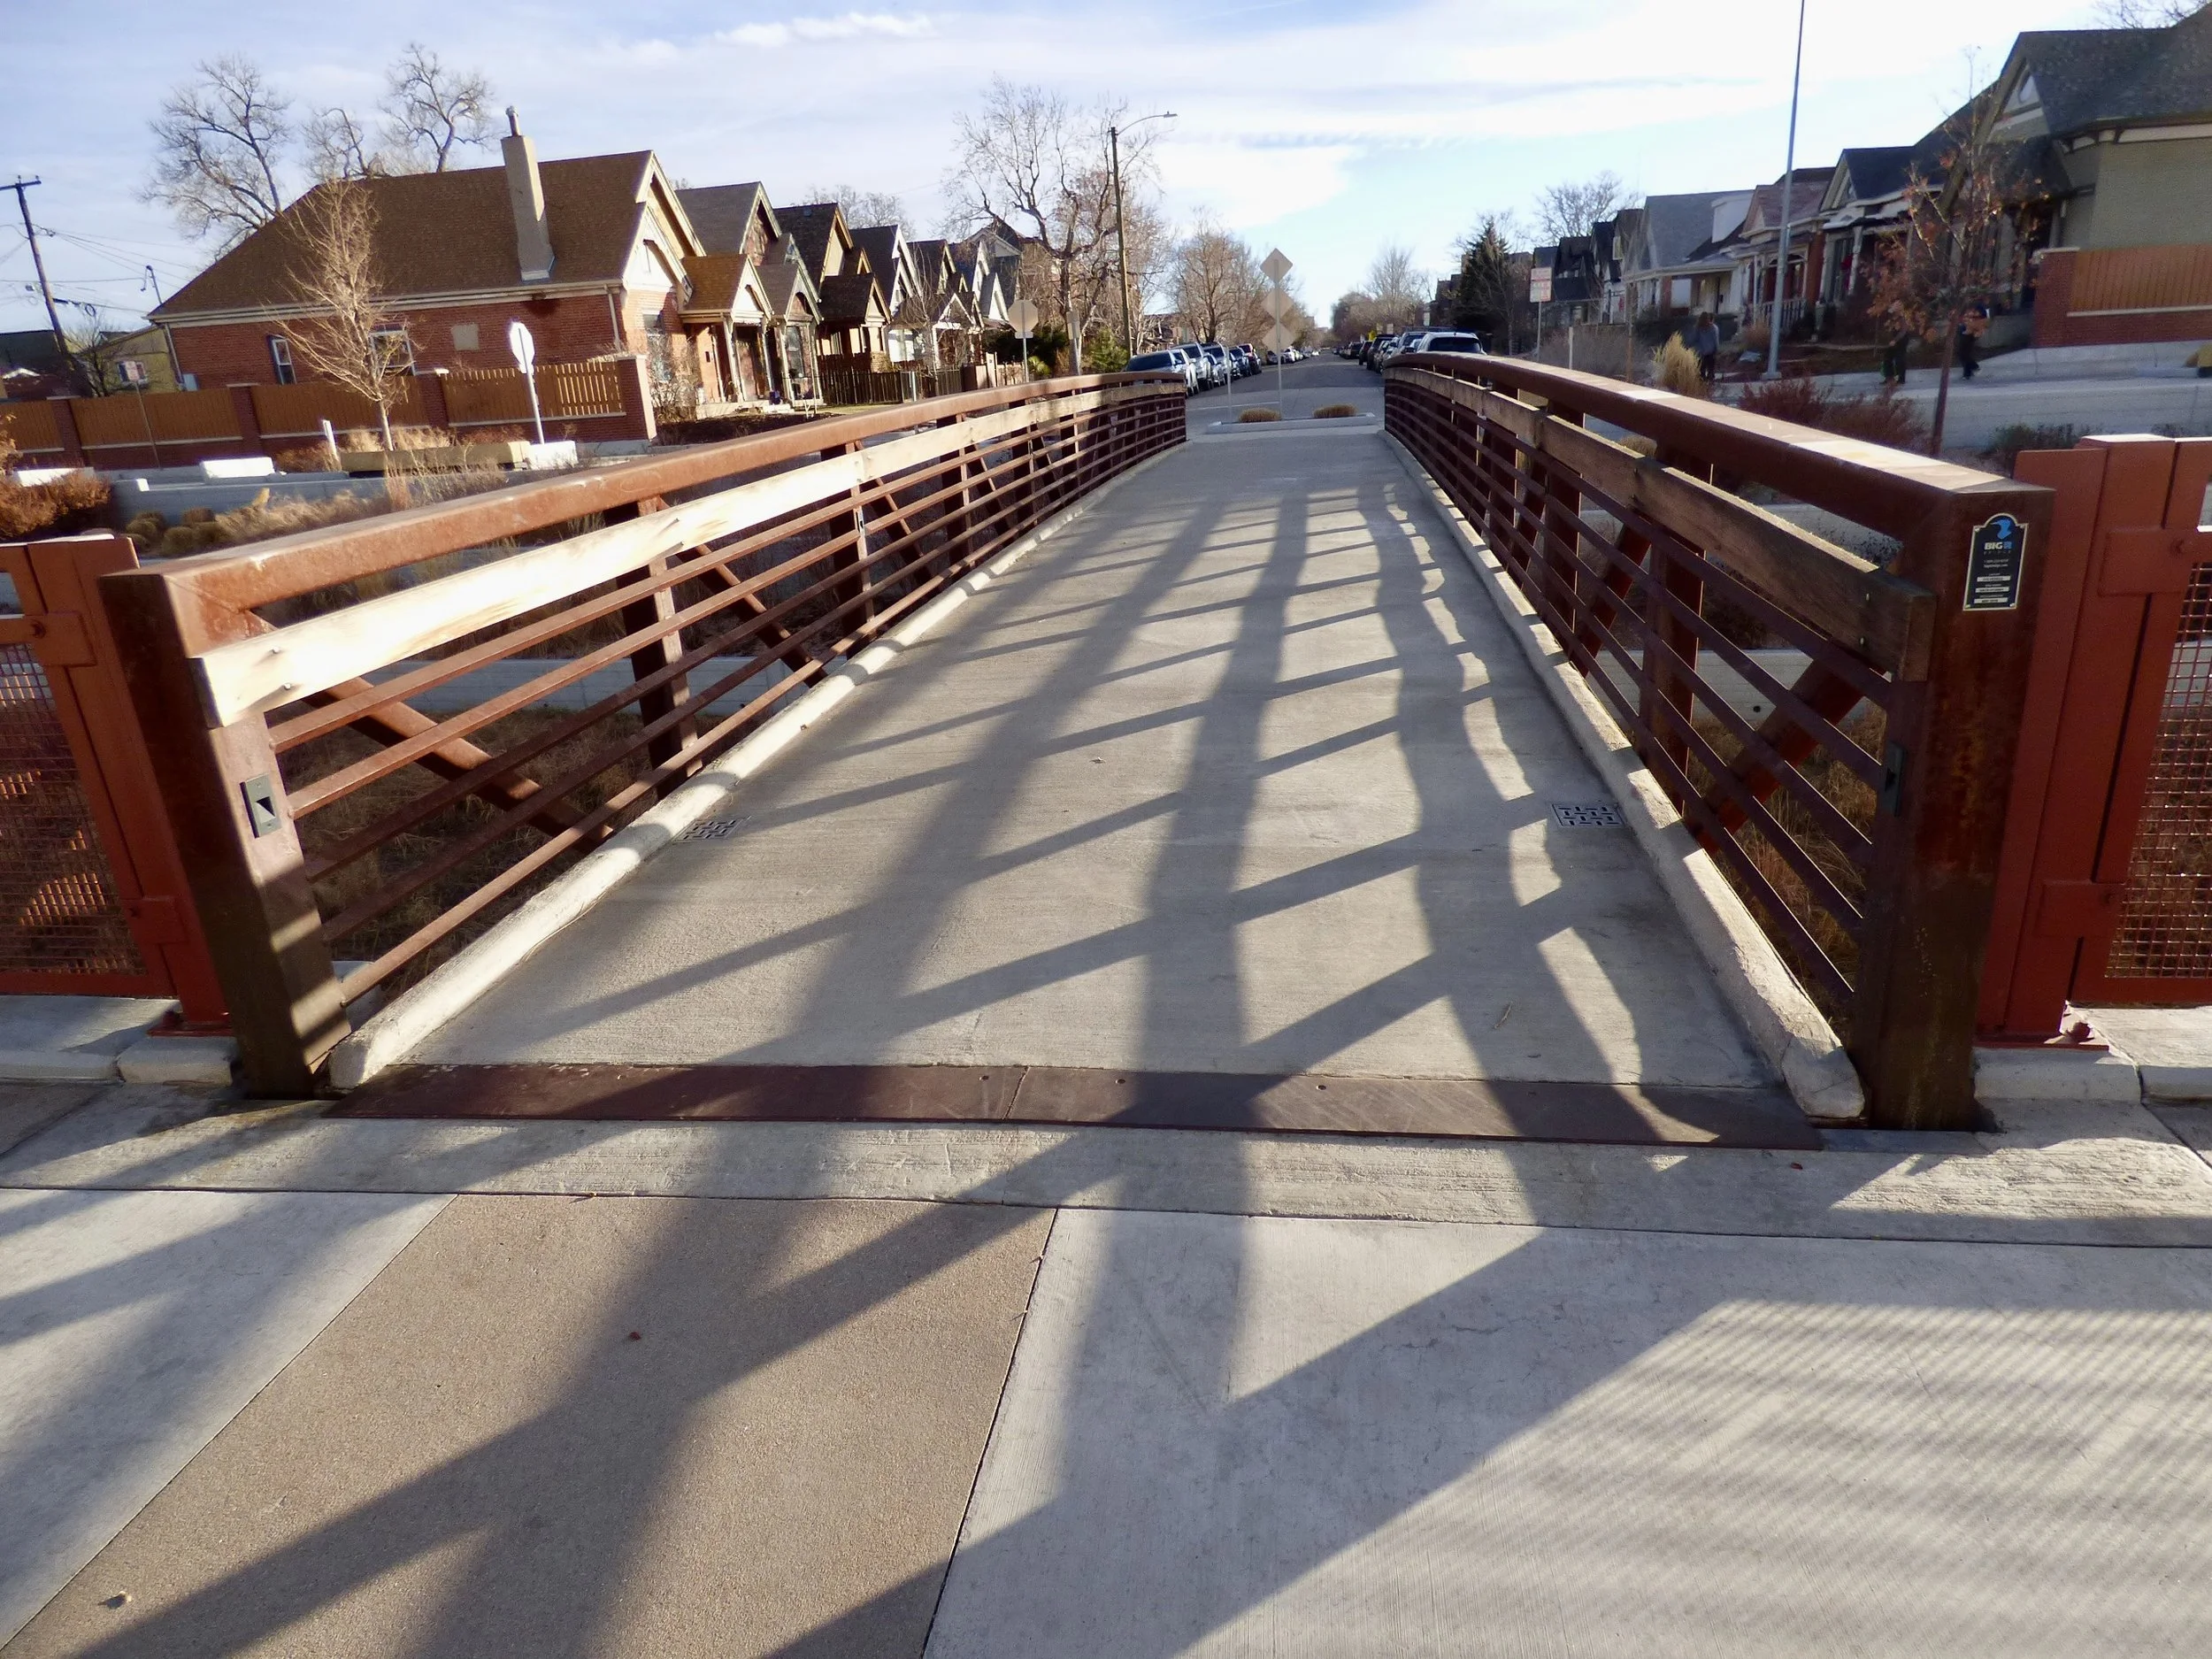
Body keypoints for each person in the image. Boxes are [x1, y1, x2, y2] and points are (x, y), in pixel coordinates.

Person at [1957, 304, 1988, 380]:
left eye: (1975, 311)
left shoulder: (1980, 319)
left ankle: (1973, 368)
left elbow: (1980, 329)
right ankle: (1969, 371)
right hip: (1966, 334)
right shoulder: (1970, 316)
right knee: (1963, 354)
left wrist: (1976, 332)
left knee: (1964, 354)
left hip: (1969, 336)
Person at [1690, 311, 1720, 385]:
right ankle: (1709, 384)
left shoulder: (1698, 328)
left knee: (1702, 371)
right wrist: (1717, 351)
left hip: (1702, 352)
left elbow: (1694, 339)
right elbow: (1715, 340)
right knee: (1709, 370)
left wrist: (1691, 347)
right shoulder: (1713, 328)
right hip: (1709, 352)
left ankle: (1704, 384)